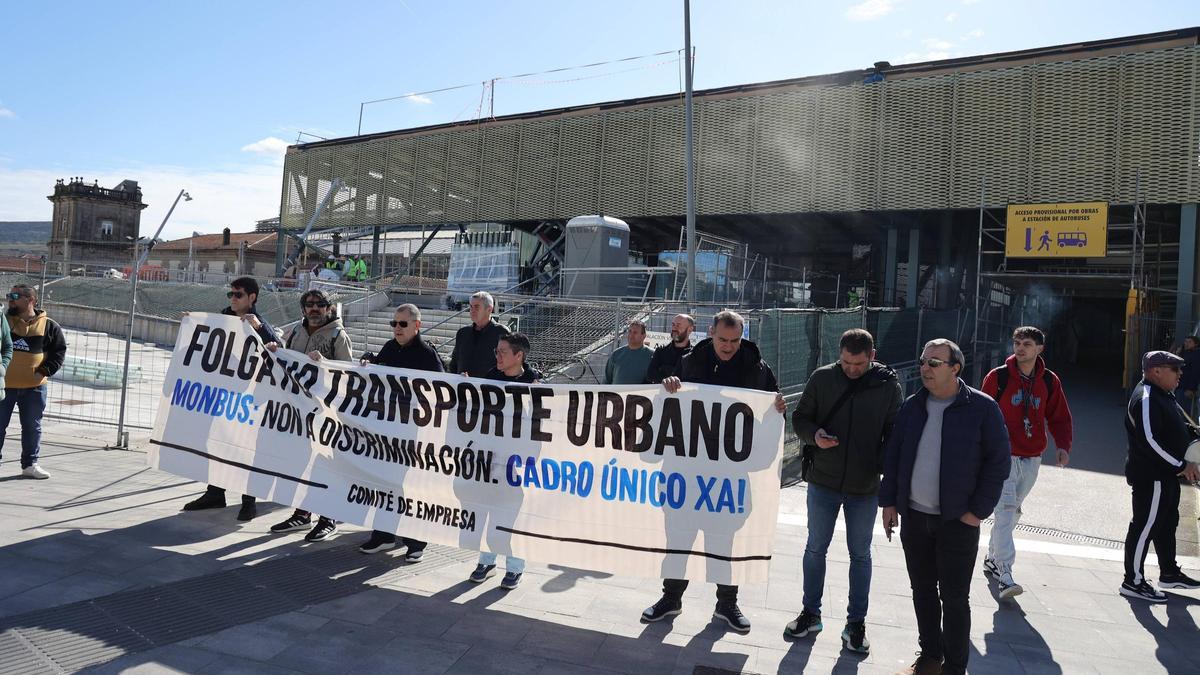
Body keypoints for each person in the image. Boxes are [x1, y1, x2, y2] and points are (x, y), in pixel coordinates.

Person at [641, 310, 787, 634]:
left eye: (735, 341)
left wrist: (777, 409)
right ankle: (671, 598)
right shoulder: (691, 362)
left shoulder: (757, 369)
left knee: (723, 544)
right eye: (723, 339)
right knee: (678, 540)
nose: (729, 346)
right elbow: (669, 404)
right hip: (687, 471)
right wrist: (669, 387)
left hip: (728, 475)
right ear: (711, 332)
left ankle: (726, 604)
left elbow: (770, 411)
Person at [880, 339, 1010, 675]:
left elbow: (998, 463)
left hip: (957, 522)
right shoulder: (912, 406)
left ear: (955, 369)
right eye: (923, 360)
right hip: (914, 516)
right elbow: (893, 455)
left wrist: (977, 512)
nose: (925, 367)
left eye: (934, 363)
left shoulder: (982, 409)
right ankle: (930, 657)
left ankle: (954, 667)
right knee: (922, 590)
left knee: (953, 599)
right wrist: (889, 501)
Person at [785, 328, 902, 653]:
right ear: (839, 355)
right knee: (815, 549)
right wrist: (814, 435)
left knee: (861, 555)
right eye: (846, 362)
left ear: (872, 357)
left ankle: (856, 623)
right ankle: (811, 613)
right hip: (823, 480)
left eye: (859, 364)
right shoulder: (822, 378)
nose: (851, 369)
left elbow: (895, 435)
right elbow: (799, 418)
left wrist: (882, 470)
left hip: (865, 487)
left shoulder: (888, 385)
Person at [979, 326, 1073, 600]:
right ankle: (1005, 574)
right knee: (1006, 510)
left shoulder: (1049, 381)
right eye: (1017, 342)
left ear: (1040, 349)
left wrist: (1063, 446)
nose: (1020, 348)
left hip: (1032, 457)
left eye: (1027, 343)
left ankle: (992, 557)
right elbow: (982, 414)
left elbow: (1059, 416)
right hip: (1002, 456)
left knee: (1013, 510)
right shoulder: (998, 377)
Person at [182, 277, 279, 520]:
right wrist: (191, 323)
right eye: (231, 294)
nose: (233, 298)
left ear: (252, 298)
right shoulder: (223, 317)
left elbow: (276, 349)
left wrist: (258, 327)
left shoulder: (258, 323)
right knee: (215, 442)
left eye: (238, 294)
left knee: (244, 449)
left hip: (246, 398)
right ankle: (215, 492)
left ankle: (249, 501)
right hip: (221, 393)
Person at [267, 289, 354, 542]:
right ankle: (303, 513)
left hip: (326, 413)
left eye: (319, 304)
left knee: (326, 466)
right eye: (309, 304)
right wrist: (275, 349)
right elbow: (285, 362)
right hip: (298, 411)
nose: (314, 308)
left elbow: (348, 374)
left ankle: (328, 517)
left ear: (329, 308)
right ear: (303, 309)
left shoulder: (339, 335)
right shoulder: (296, 331)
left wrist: (325, 362)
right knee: (301, 464)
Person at [358, 304, 443, 559]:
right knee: (383, 483)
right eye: (394, 324)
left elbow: (441, 390)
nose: (397, 328)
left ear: (417, 326)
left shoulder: (427, 355)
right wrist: (368, 362)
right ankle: (383, 535)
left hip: (413, 433)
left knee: (410, 488)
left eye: (403, 324)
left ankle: (415, 543)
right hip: (385, 431)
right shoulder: (389, 347)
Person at [1119, 350, 1200, 602]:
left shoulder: (1162, 394)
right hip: (1152, 476)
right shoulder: (1146, 397)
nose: (1180, 374)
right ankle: (1132, 581)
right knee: (1144, 527)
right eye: (1175, 369)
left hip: (1165, 477)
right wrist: (1181, 465)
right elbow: (1150, 441)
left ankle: (1169, 573)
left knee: (1166, 523)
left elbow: (1172, 427)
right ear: (1156, 371)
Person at [468, 332, 541, 590]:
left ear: (518, 355)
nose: (497, 356)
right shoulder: (491, 377)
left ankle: (514, 566)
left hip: (518, 462)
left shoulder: (536, 384)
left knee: (513, 516)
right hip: (491, 458)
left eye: (502, 352)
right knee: (488, 511)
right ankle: (487, 561)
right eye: (496, 351)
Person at [1, 284, 67, 480]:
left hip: (34, 388)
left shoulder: (49, 325)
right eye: (8, 295)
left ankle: (30, 464)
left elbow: (58, 352)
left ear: (30, 300)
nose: (9, 299)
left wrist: (44, 371)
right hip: (4, 386)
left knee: (32, 426)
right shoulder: (3, 321)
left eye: (14, 296)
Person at [448, 291, 510, 376]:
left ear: (489, 309)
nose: (472, 311)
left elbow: (508, 365)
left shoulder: (501, 333)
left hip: (490, 387)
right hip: (462, 387)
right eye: (471, 307)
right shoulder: (462, 333)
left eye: (476, 307)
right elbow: (454, 364)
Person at [644, 313, 694, 384]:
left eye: (678, 325)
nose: (674, 328)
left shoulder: (695, 354)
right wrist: (665, 381)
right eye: (673, 324)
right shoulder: (661, 351)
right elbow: (650, 374)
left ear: (690, 329)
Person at [604, 320, 652, 385]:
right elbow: (607, 380)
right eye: (630, 331)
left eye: (635, 332)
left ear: (643, 336)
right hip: (617, 394)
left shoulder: (652, 355)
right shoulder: (616, 354)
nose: (631, 335)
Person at [1176, 336, 1200, 419]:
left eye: (1190, 342)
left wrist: (1191, 389)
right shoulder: (1186, 353)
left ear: (1196, 344)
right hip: (1181, 386)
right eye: (1186, 341)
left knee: (1185, 413)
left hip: (1186, 388)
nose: (1186, 344)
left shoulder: (1196, 355)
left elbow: (1195, 373)